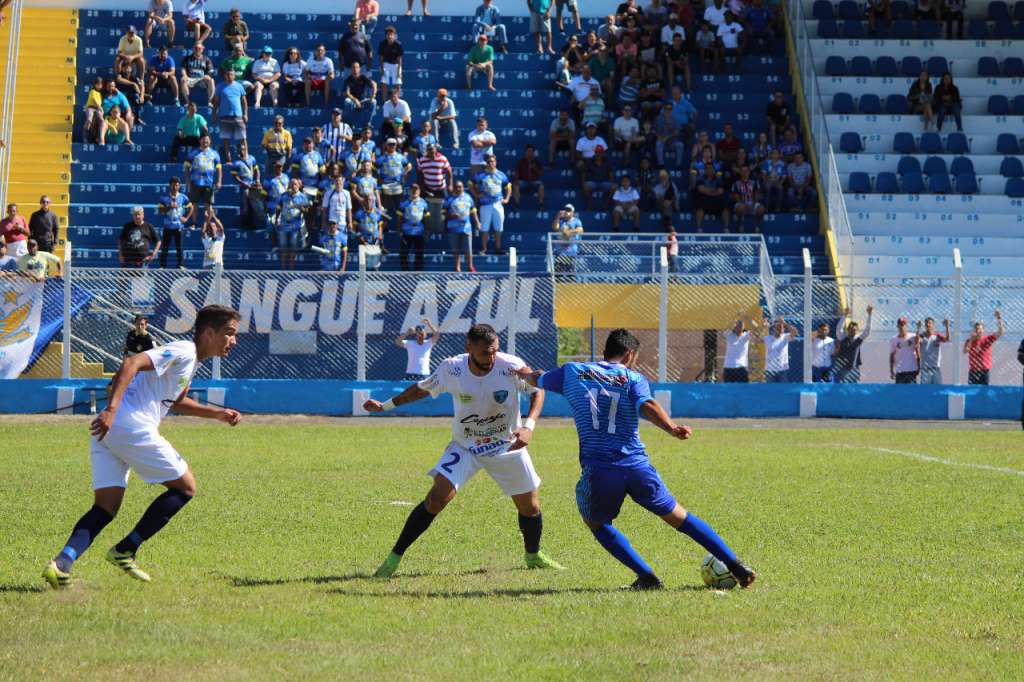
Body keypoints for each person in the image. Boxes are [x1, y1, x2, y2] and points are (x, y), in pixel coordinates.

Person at [517, 328, 756, 590]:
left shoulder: (572, 372)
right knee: (679, 516)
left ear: (606, 350)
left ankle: (647, 577)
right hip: (637, 466)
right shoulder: (633, 378)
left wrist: (520, 373)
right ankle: (736, 566)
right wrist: (671, 428)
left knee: (596, 522)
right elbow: (648, 405)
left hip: (601, 469)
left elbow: (538, 378)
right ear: (630, 354)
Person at [41, 305, 242, 590]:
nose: (233, 341)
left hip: (110, 431)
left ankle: (61, 563)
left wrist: (218, 415)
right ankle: (127, 548)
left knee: (105, 507)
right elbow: (131, 363)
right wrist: (111, 409)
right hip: (128, 425)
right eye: (229, 333)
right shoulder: (185, 350)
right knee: (185, 488)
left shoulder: (190, 360)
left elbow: (176, 402)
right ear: (209, 333)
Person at [366, 323, 563, 579]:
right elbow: (421, 389)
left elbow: (538, 391)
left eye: (494, 351)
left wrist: (528, 427)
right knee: (435, 500)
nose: (490, 358)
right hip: (466, 447)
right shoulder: (452, 368)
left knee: (530, 508)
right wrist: (385, 405)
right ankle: (393, 560)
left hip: (506, 445)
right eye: (484, 353)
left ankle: (533, 556)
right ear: (468, 348)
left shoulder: (510, 366)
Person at [470, 153, 511, 256]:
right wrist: (476, 194)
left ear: (495, 162)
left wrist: (506, 199)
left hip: (498, 203)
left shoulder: (501, 174)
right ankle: (484, 249)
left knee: (498, 227)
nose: (491, 163)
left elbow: (508, 186)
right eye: (489, 162)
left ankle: (498, 248)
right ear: (486, 163)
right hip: (485, 205)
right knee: (485, 227)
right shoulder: (481, 174)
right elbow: (470, 184)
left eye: (493, 161)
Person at [211, 68, 248, 164]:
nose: (229, 76)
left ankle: (245, 156)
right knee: (226, 140)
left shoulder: (239, 86)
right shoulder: (220, 87)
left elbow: (244, 102)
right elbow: (216, 102)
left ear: (234, 76)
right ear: (225, 75)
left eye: (231, 74)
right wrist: (214, 114)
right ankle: (228, 159)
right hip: (224, 116)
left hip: (238, 116)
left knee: (242, 138)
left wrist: (245, 114)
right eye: (228, 74)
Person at [417, 143, 453, 236]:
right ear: (427, 150)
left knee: (445, 209)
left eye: (433, 150)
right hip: (427, 187)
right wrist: (424, 189)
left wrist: (450, 184)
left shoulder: (442, 159)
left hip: (441, 188)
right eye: (429, 150)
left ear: (436, 150)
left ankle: (444, 228)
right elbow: (420, 175)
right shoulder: (422, 160)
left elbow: (449, 171)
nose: (431, 152)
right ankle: (426, 229)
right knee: (424, 210)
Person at [158, 177, 193, 269]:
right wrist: (169, 206)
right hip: (168, 226)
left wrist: (186, 218)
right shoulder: (164, 197)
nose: (175, 187)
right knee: (165, 247)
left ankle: (181, 265)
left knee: (179, 247)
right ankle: (162, 265)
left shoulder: (183, 197)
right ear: (170, 185)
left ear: (179, 186)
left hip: (179, 226)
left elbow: (191, 207)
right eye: (173, 185)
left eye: (177, 185)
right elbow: (160, 210)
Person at [444, 180, 479, 273]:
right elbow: (443, 212)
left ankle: (470, 267)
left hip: (466, 228)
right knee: (456, 250)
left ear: (463, 187)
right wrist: (451, 215)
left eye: (460, 187)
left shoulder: (468, 197)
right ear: (454, 188)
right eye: (456, 187)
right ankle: (457, 267)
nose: (458, 189)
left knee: (468, 249)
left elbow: (473, 210)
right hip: (453, 228)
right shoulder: (449, 199)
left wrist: (477, 222)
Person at [833, 305, 874, 383]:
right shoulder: (842, 337)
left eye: (854, 330)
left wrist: (869, 314)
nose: (853, 331)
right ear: (848, 329)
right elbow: (839, 328)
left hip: (854, 368)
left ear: (857, 330)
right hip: (842, 368)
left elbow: (867, 331)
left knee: (854, 389)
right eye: (851, 329)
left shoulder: (858, 339)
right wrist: (844, 315)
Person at [276, 178, 310, 270]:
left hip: (295, 226)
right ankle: (282, 269)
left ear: (299, 186)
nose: (293, 186)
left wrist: (301, 208)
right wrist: (276, 220)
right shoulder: (283, 196)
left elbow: (307, 211)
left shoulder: (303, 197)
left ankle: (291, 269)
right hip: (283, 225)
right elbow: (278, 208)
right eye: (292, 184)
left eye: (295, 184)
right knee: (283, 247)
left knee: (292, 248)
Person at [183, 133, 222, 212]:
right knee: (194, 204)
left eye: (207, 139)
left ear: (210, 141)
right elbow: (186, 167)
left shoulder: (215, 154)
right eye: (203, 139)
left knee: (208, 205)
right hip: (195, 183)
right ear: (199, 141)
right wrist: (187, 181)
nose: (205, 141)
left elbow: (219, 168)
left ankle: (207, 223)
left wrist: (219, 181)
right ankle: (194, 223)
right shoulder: (193, 153)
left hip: (209, 183)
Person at [964, 311, 1004, 385]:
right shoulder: (969, 340)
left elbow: (1001, 332)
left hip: (984, 371)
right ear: (974, 330)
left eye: (980, 329)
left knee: (984, 392)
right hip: (973, 371)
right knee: (971, 393)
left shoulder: (987, 339)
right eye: (976, 329)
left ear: (983, 330)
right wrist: (971, 340)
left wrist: (999, 318)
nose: (978, 331)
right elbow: (965, 351)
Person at [396, 184, 429, 271]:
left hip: (419, 232)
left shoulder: (424, 203)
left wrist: (427, 230)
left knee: (419, 254)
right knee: (403, 254)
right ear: (409, 191)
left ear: (419, 191)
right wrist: (399, 230)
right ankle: (405, 273)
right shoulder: (403, 203)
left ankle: (418, 273)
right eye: (412, 189)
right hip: (407, 232)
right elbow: (399, 218)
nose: (414, 191)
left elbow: (426, 218)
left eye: (416, 189)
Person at [231, 139, 261, 229]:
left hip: (253, 185)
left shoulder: (252, 158)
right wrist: (242, 183)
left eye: (243, 149)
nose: (242, 150)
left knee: (253, 205)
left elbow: (257, 170)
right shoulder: (236, 163)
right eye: (240, 149)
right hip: (244, 186)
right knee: (245, 206)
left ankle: (252, 223)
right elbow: (234, 176)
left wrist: (258, 180)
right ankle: (244, 224)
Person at [694, 163, 729, 230]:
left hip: (716, 200)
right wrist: (713, 190)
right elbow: (701, 189)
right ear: (705, 170)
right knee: (699, 208)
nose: (709, 170)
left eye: (711, 168)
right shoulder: (700, 178)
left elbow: (720, 191)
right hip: (704, 200)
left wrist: (708, 191)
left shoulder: (718, 179)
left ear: (713, 170)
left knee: (725, 209)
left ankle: (726, 228)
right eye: (707, 168)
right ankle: (699, 228)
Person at [723, 316, 759, 382]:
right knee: (728, 389)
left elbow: (756, 327)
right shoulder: (729, 335)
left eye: (741, 326)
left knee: (743, 389)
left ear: (743, 328)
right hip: (729, 367)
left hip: (742, 367)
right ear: (734, 327)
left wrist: (747, 317)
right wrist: (733, 321)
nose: (739, 328)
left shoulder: (746, 335)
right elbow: (725, 330)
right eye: (738, 326)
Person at [179, 43, 215, 108]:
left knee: (211, 80)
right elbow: (183, 69)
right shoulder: (187, 58)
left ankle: (209, 102)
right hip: (191, 79)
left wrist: (208, 75)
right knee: (183, 79)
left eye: (199, 48)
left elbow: (211, 70)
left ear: (202, 49)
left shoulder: (206, 59)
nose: (197, 50)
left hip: (202, 79)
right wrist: (185, 75)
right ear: (193, 49)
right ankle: (188, 102)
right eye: (195, 48)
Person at [343, 61, 378, 127]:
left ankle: (367, 123)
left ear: (359, 69)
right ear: (351, 69)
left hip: (363, 101)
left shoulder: (363, 77)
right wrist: (355, 100)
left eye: (356, 67)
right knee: (347, 101)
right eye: (353, 67)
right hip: (353, 101)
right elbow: (347, 93)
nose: (355, 69)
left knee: (373, 101)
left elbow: (374, 84)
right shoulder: (348, 80)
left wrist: (373, 95)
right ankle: (350, 123)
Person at [917, 317, 950, 385]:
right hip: (925, 369)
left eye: (930, 323)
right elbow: (917, 341)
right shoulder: (922, 336)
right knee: (925, 390)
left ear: (933, 325)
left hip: (936, 368)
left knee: (937, 389)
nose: (928, 325)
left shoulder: (937, 335)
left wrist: (947, 326)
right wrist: (918, 328)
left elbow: (947, 339)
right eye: (926, 323)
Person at [731, 165, 764, 232]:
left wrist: (752, 204)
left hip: (752, 202)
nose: (744, 173)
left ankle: (757, 226)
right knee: (741, 208)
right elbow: (736, 197)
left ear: (749, 172)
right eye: (743, 171)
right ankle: (740, 225)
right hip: (740, 202)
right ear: (740, 172)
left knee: (761, 209)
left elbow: (757, 195)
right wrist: (744, 204)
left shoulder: (754, 182)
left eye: (746, 171)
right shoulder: (736, 183)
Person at [552, 204, 583, 274]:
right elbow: (555, 228)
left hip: (571, 252)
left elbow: (580, 230)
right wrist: (558, 217)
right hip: (560, 252)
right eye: (565, 210)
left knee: (571, 275)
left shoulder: (576, 221)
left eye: (569, 210)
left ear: (572, 212)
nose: (566, 211)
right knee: (558, 275)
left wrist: (568, 232)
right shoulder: (561, 221)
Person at [889, 316, 920, 384]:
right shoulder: (893, 339)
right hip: (900, 371)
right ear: (897, 326)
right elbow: (892, 356)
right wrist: (891, 370)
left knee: (911, 393)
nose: (901, 327)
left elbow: (918, 348)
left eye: (903, 325)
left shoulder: (913, 337)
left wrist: (918, 328)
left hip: (911, 371)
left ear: (906, 326)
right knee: (899, 393)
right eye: (900, 325)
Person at [377, 25, 404, 103]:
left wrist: (399, 71)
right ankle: (385, 101)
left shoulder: (398, 44)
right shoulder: (382, 44)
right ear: (386, 35)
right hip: (386, 64)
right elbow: (381, 58)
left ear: (394, 35)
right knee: (384, 82)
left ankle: (396, 101)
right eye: (388, 34)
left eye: (391, 34)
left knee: (398, 83)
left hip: (396, 65)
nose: (390, 36)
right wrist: (382, 69)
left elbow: (399, 59)